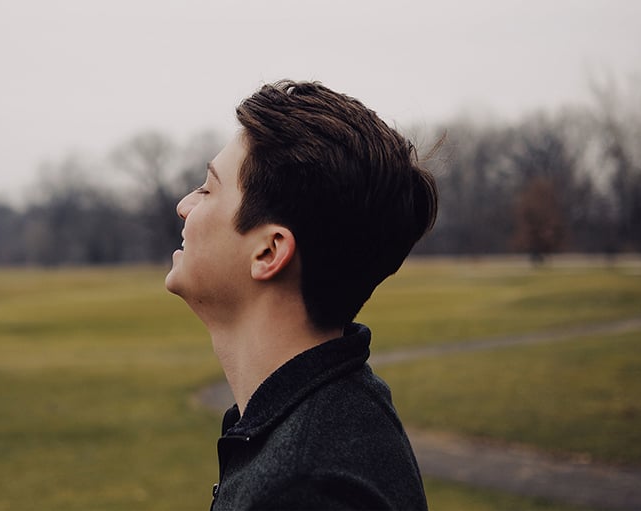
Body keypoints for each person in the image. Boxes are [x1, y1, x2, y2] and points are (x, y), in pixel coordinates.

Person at [165, 80, 439, 510]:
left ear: (269, 252)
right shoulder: (328, 414)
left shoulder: (305, 488)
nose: (185, 205)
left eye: (208, 189)